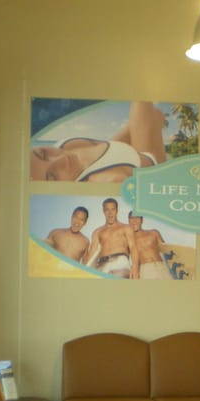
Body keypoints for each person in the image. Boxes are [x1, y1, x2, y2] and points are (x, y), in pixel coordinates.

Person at [30, 100, 166, 182]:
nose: (60, 160)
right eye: (53, 177)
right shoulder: (98, 179)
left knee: (156, 115)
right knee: (141, 100)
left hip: (121, 155)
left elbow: (113, 148)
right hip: (154, 166)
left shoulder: (65, 145)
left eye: (43, 153)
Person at [84, 198, 139, 278]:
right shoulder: (97, 231)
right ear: (103, 211)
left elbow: (133, 248)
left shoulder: (126, 228)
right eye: (107, 210)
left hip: (120, 262)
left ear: (117, 210)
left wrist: (135, 268)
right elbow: (91, 253)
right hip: (102, 264)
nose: (110, 213)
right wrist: (84, 270)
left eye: (113, 209)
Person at [129, 212, 172, 280]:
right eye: (132, 218)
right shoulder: (129, 240)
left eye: (137, 218)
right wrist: (133, 270)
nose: (134, 221)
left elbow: (166, 251)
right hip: (145, 270)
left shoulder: (154, 233)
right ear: (128, 221)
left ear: (142, 220)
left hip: (161, 267)